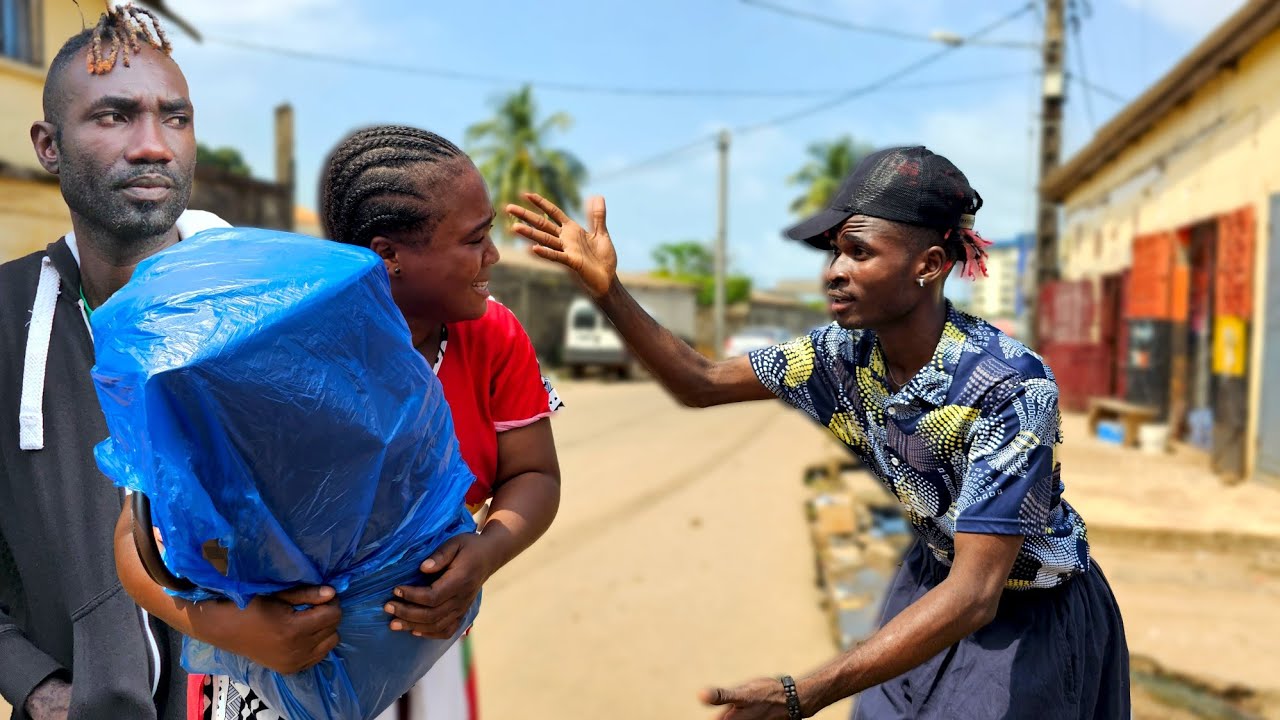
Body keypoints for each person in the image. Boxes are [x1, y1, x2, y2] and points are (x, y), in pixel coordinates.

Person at [508, 146, 1130, 719]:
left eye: (858, 252)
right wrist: (609, 290)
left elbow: (976, 594)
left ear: (929, 265)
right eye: (833, 252)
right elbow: (699, 380)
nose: (834, 271)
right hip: (931, 581)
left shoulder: (1006, 385)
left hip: (1024, 614)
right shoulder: (840, 354)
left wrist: (804, 692)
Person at [120, 124, 564, 720]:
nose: (494, 256)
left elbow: (534, 472)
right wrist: (238, 627)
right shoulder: (275, 348)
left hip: (424, 660)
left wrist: (484, 552)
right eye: (474, 239)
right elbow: (133, 541)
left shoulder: (491, 334)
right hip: (274, 678)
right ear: (389, 256)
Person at [0, 8, 339, 720]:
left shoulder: (268, 307)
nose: (152, 145)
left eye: (174, 118)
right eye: (115, 116)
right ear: (48, 145)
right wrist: (32, 683)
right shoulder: (4, 315)